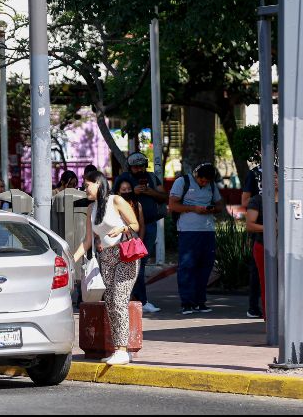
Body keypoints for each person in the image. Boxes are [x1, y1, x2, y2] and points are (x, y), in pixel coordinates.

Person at [72, 170, 141, 366]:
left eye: (87, 185)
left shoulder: (116, 200)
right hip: (106, 256)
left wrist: (122, 228)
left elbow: (135, 224)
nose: (84, 189)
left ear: (98, 184)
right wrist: (70, 260)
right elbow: (87, 241)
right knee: (110, 301)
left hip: (125, 254)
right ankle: (118, 349)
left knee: (119, 298)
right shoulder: (91, 209)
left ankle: (122, 350)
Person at [113, 152, 167, 314]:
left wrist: (150, 192)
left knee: (141, 262)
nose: (139, 169)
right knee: (133, 263)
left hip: (149, 225)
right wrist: (132, 192)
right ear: (130, 167)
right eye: (135, 166)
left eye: (141, 165)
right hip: (128, 227)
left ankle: (136, 298)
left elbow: (164, 196)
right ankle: (139, 300)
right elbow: (114, 198)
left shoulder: (151, 177)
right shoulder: (124, 178)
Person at [169, 163, 224, 315]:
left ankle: (200, 301)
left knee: (205, 266)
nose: (204, 183)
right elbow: (172, 205)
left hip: (208, 230)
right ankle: (186, 302)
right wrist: (194, 208)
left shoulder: (212, 185)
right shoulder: (182, 182)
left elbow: (220, 205)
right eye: (202, 180)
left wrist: (212, 208)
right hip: (188, 231)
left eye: (207, 181)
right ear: (196, 175)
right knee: (187, 266)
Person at [245, 168, 278, 319]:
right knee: (266, 283)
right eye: (271, 177)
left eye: (277, 177)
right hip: (264, 246)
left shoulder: (288, 199)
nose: (275, 180)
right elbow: (250, 225)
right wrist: (271, 228)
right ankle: (270, 319)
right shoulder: (257, 200)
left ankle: (285, 318)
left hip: (285, 248)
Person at [241, 162, 265, 320]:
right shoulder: (254, 173)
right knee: (257, 271)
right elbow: (245, 201)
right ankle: (253, 307)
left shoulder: (283, 168)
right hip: (260, 229)